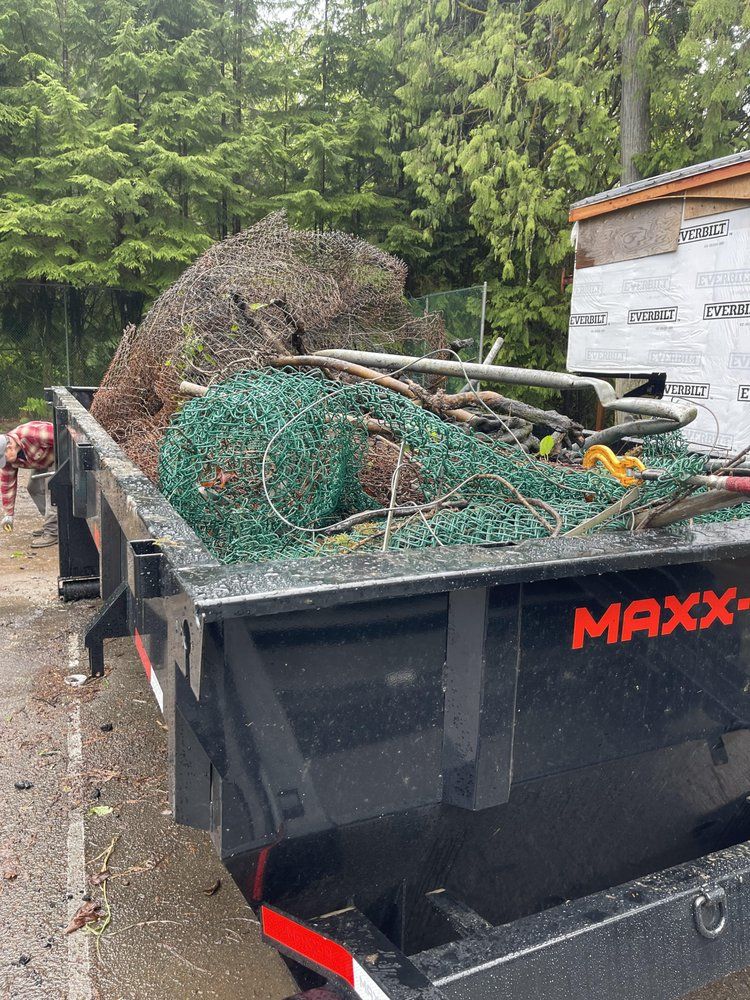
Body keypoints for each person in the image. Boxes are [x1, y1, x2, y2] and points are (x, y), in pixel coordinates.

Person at [0, 421, 58, 548]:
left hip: (60, 455)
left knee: (51, 486)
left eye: (3, 459)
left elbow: (64, 434)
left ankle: (53, 531)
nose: (4, 464)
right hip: (43, 459)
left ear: (9, 447)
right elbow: (7, 485)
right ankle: (57, 522)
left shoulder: (33, 434)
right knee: (34, 488)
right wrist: (8, 514)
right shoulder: (8, 460)